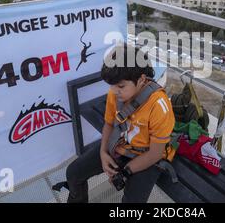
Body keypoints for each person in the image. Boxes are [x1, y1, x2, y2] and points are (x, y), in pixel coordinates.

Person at [66, 44, 175, 203]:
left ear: (141, 79)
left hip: (146, 155)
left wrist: (125, 173)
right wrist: (103, 153)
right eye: (112, 85)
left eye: (121, 86)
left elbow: (155, 154)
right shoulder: (116, 93)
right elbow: (109, 124)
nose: (114, 91)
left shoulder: (159, 106)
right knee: (74, 173)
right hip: (120, 144)